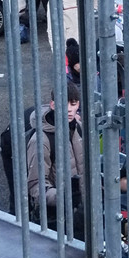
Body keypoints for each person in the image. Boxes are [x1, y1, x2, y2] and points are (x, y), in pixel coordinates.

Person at [25, 81, 85, 233]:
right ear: (53, 105)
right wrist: (64, 197)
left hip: (81, 210)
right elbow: (36, 186)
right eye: (64, 104)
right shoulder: (41, 140)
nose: (69, 109)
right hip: (56, 217)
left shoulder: (78, 127)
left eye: (73, 103)